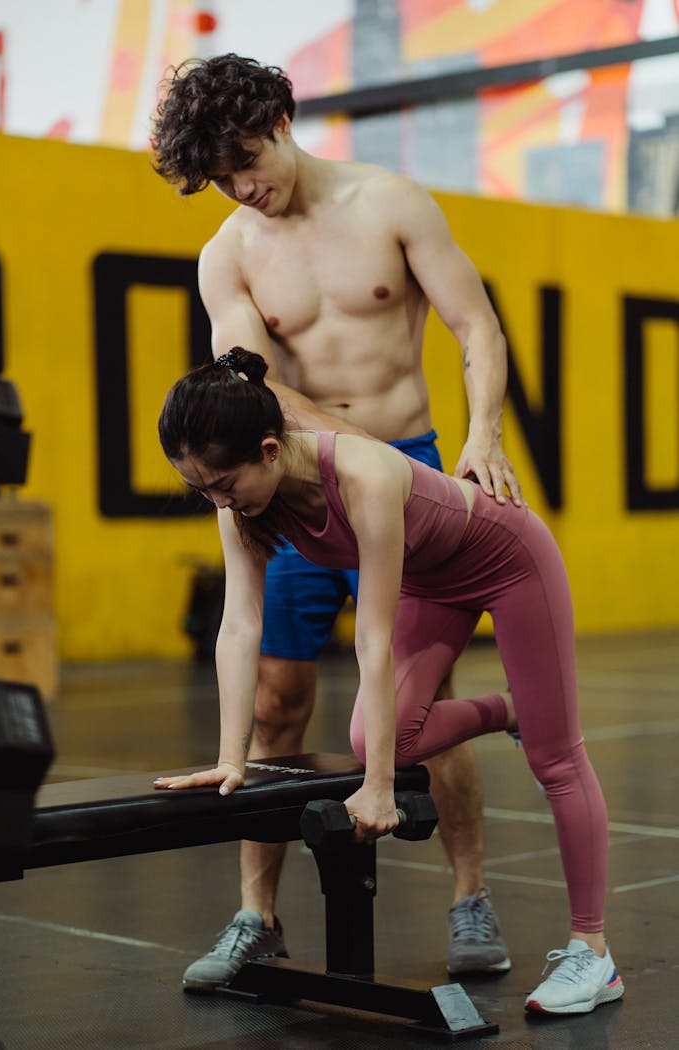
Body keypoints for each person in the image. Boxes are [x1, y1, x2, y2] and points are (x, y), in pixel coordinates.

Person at [150, 52, 524, 987]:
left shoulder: (391, 204)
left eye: (245, 157)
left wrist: (484, 436)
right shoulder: (228, 254)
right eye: (220, 178)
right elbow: (252, 390)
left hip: (421, 471)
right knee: (277, 699)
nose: (242, 186)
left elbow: (476, 326)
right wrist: (346, 453)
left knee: (412, 704)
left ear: (281, 116)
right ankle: (256, 915)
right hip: (302, 485)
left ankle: (469, 896)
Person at [154, 349, 624, 1017]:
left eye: (222, 485)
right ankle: (509, 711)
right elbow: (238, 627)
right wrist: (232, 758)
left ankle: (593, 953)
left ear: (267, 449)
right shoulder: (242, 502)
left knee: (556, 757)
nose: (217, 501)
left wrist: (377, 790)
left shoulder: (364, 473)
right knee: (382, 735)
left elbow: (369, 640)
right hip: (434, 582)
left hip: (507, 561)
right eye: (201, 490)